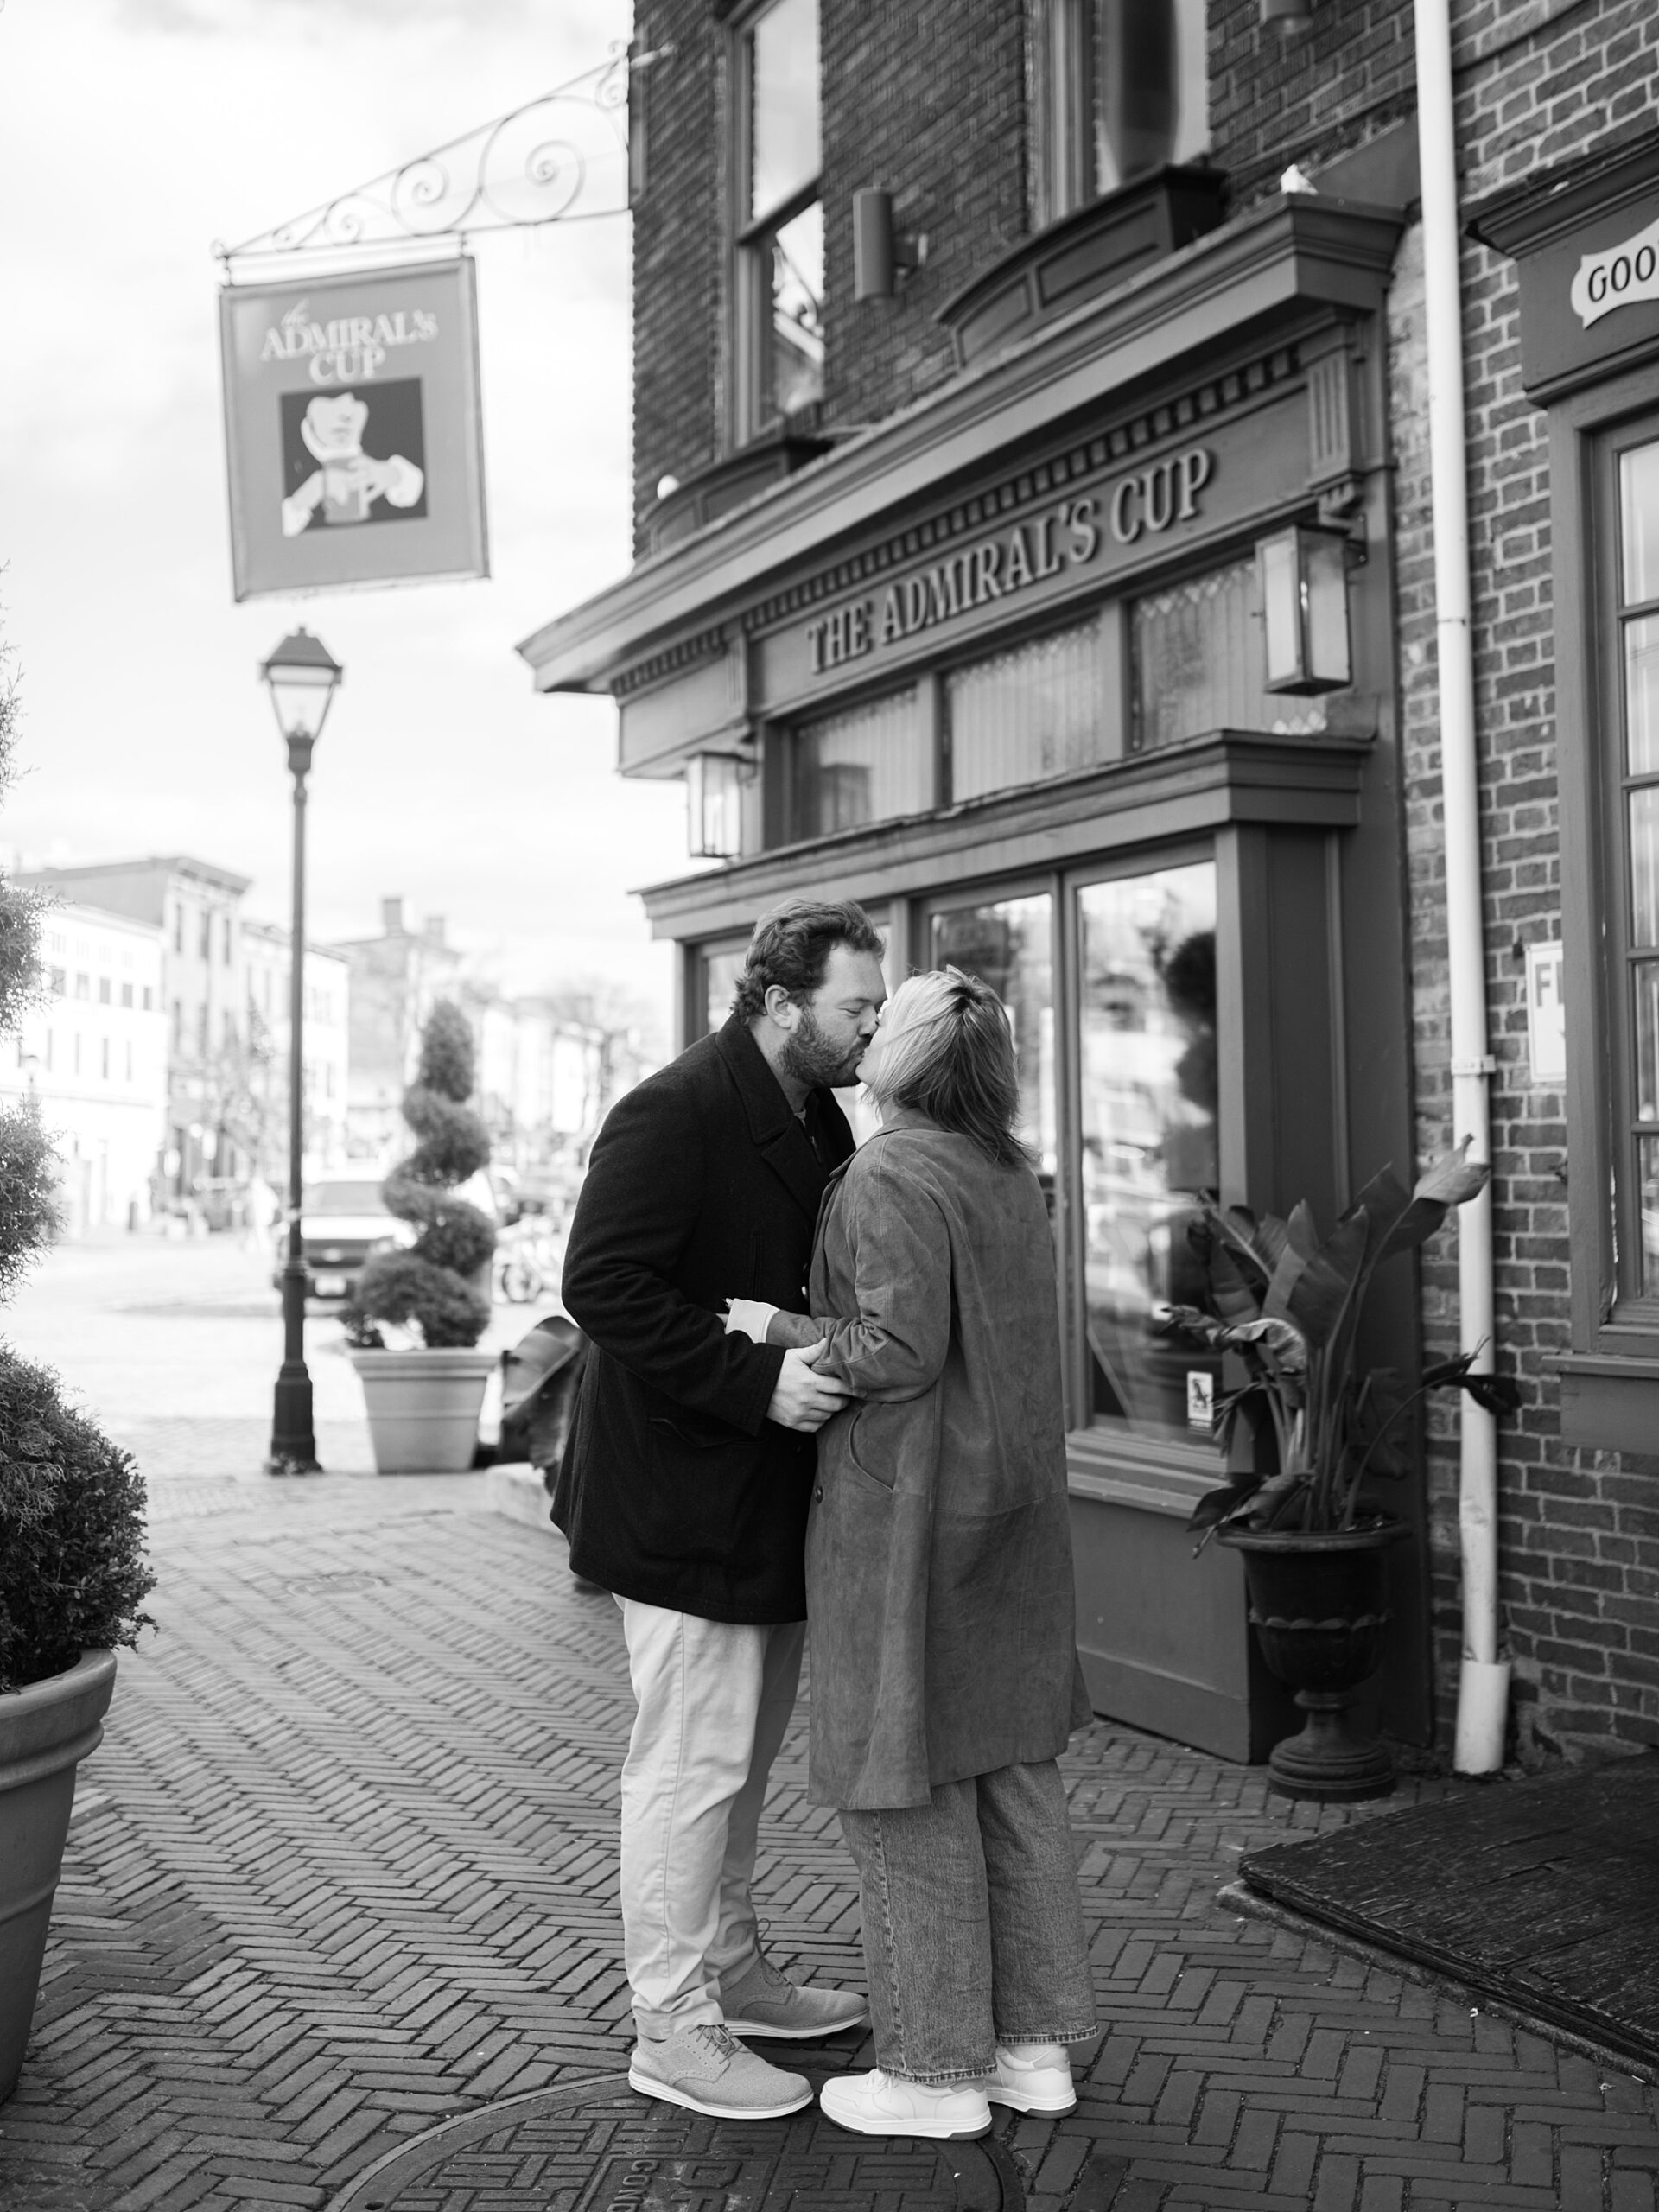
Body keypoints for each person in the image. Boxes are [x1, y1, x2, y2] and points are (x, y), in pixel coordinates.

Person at [728, 968, 1097, 2141]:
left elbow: (890, 1348)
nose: (872, 1019)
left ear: (912, 1055)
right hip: (1014, 1518)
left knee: (905, 1781)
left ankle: (935, 2072)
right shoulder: (1006, 1169)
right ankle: (1034, 2051)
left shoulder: (892, 1169)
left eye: (891, 1014)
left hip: (911, 1518)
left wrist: (770, 1327)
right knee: (1011, 1779)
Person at [555, 898, 887, 2122]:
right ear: (778, 1001)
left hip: (761, 1497)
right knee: (688, 1769)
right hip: (682, 1498)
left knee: (739, 1765)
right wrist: (756, 1380)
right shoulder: (672, 1111)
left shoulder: (817, 1107)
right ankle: (672, 2025)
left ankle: (731, 1975)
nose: (872, 1027)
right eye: (855, 1006)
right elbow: (600, 1286)